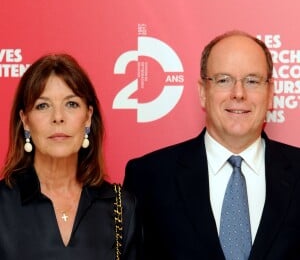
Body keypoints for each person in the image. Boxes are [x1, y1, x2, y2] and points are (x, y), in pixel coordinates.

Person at [123, 30, 300, 260]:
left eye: (252, 81)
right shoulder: (149, 178)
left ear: (270, 93)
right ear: (203, 92)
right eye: (224, 80)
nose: (239, 93)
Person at [0, 53, 143, 259]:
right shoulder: (3, 205)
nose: (58, 117)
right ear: (25, 121)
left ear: (88, 117)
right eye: (43, 105)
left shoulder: (121, 207)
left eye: (71, 104)